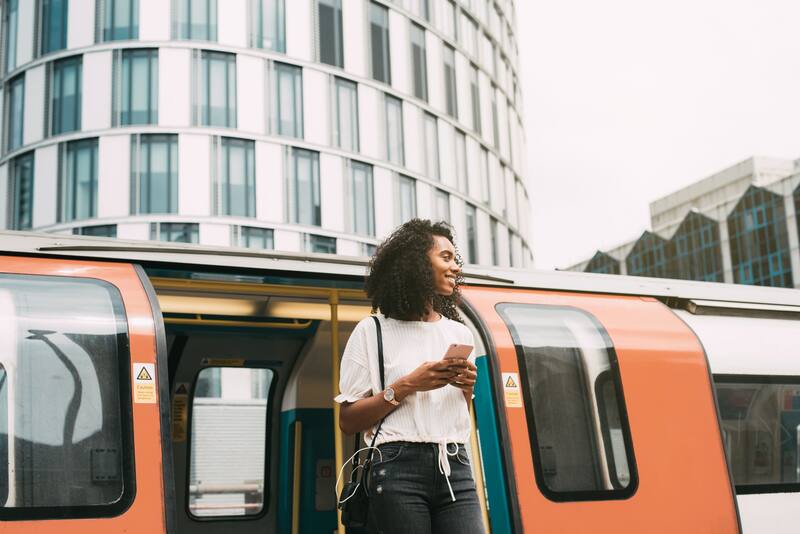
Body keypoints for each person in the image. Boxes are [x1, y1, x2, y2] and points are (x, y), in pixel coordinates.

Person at [336, 219, 485, 534]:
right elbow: (348, 421)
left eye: (455, 258)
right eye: (445, 257)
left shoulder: (458, 332)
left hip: (455, 463)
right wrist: (408, 385)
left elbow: (459, 415)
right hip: (396, 468)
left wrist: (466, 390)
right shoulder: (371, 331)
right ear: (416, 263)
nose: (456, 266)